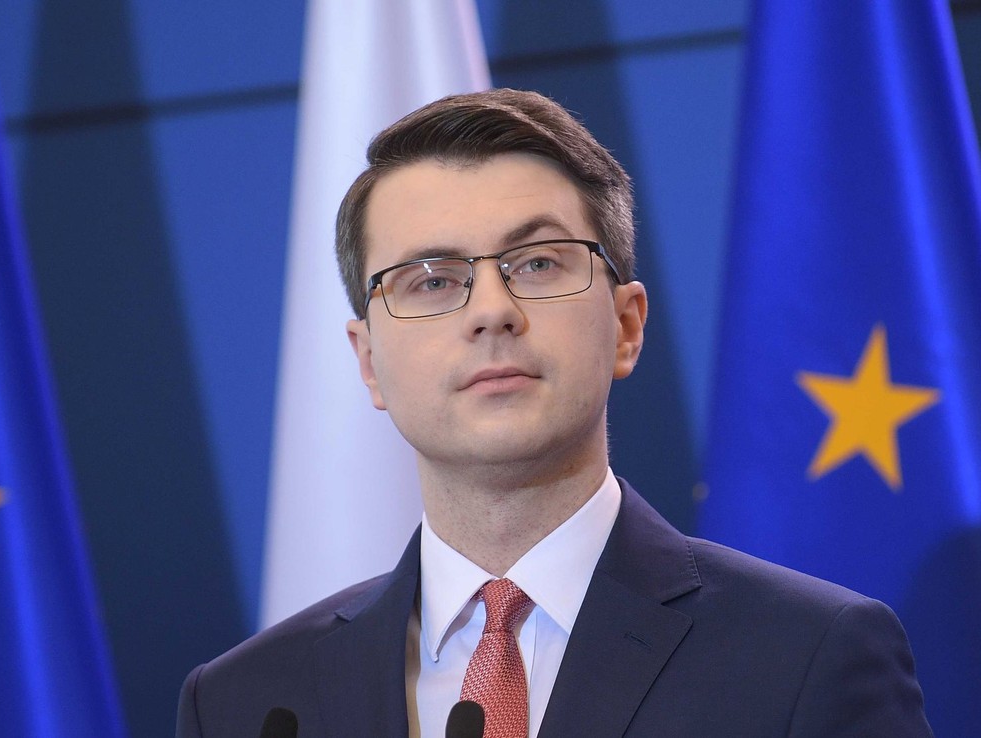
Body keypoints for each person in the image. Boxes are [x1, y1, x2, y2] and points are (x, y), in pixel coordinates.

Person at [176, 89, 932, 737]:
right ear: (369, 361)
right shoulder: (246, 702)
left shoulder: (805, 656)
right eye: (432, 280)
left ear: (626, 326)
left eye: (537, 263)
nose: (492, 311)